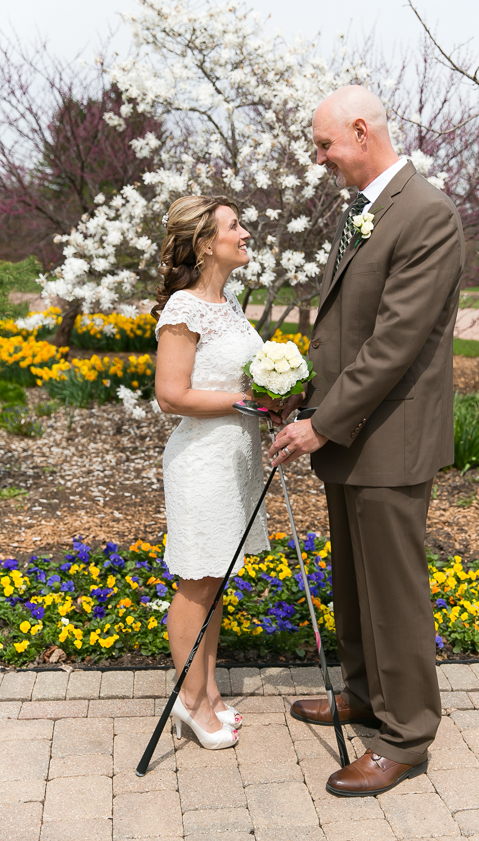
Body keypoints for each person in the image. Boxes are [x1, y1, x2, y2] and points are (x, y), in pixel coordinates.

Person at [269, 85, 465, 796]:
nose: (319, 158)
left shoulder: (426, 213)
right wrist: (295, 388)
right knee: (353, 583)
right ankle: (361, 690)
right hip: (354, 434)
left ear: (359, 130)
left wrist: (318, 425)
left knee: (393, 592)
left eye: (324, 144)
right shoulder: (368, 210)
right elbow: (343, 329)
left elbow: (393, 346)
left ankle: (406, 735)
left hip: (391, 436)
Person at [153, 194, 277, 750]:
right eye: (235, 225)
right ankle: (190, 700)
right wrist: (243, 402)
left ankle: (209, 690)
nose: (246, 232)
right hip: (201, 462)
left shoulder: (227, 303)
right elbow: (170, 395)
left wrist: (277, 393)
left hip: (235, 461)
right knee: (197, 580)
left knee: (215, 579)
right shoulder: (184, 308)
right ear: (206, 243)